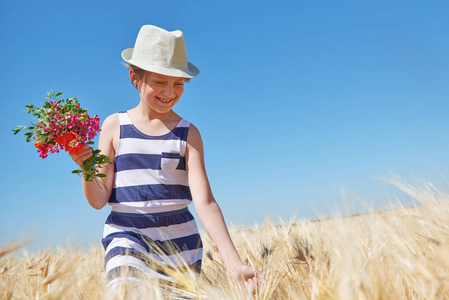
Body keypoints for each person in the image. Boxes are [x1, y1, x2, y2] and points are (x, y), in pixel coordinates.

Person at [70, 25, 263, 296]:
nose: (169, 91)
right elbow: (98, 200)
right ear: (134, 76)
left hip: (181, 244)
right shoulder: (115, 126)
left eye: (179, 83)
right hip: (127, 235)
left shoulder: (188, 134)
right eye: (160, 81)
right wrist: (86, 169)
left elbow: (205, 202)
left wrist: (234, 263)